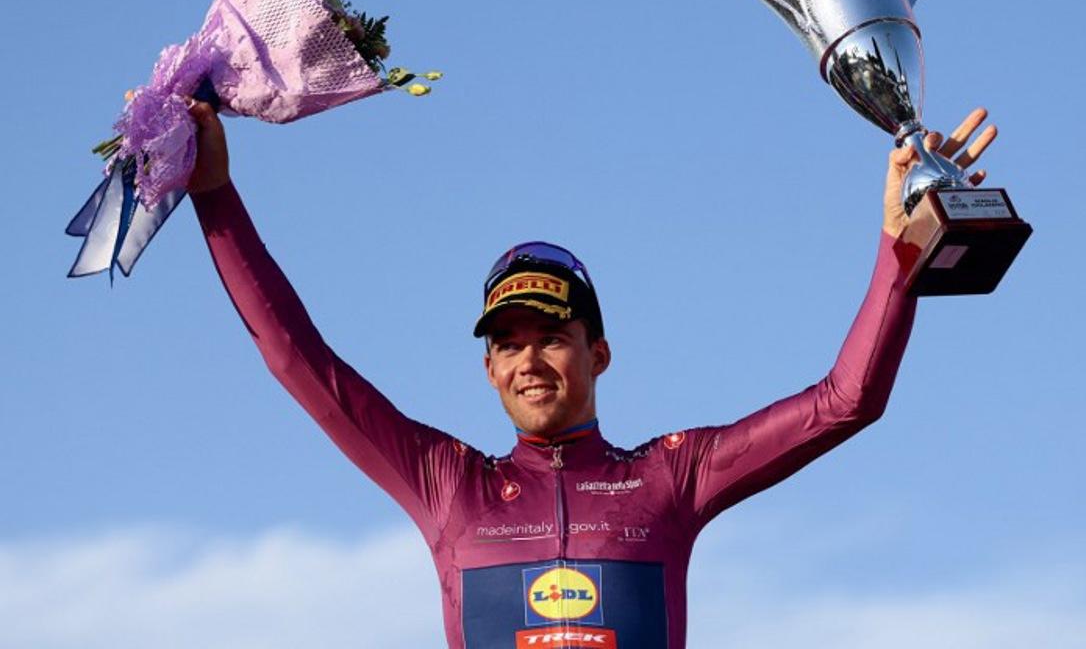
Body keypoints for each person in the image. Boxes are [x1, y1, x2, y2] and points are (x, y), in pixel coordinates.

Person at [186, 101, 995, 649]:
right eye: (508, 342)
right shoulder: (446, 485)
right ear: (488, 367)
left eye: (552, 337)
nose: (530, 360)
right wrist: (217, 197)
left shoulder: (670, 475)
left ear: (598, 353)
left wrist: (899, 255)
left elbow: (845, 402)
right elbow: (299, 361)